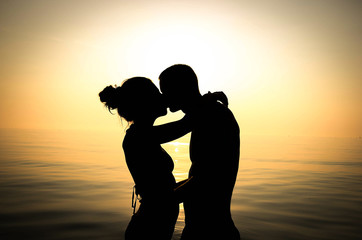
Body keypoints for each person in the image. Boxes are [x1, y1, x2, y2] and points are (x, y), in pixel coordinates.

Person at [99, 77, 226, 239]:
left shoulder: (143, 135)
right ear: (144, 102)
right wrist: (201, 181)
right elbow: (185, 125)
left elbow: (163, 192)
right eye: (157, 93)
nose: (163, 97)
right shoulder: (138, 137)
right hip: (147, 229)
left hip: (151, 225)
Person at [159, 64, 241, 240]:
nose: (163, 97)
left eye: (165, 90)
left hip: (212, 230)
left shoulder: (214, 116)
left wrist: (162, 201)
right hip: (202, 226)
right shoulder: (203, 115)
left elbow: (207, 178)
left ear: (181, 88)